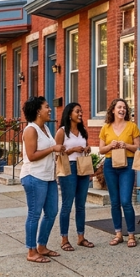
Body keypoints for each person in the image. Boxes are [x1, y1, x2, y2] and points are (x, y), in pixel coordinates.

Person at [20, 96, 65, 264]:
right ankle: (31, 251)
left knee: (52, 212)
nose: (50, 109)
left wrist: (57, 151)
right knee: (34, 214)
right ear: (38, 111)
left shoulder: (45, 128)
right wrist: (53, 148)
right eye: (47, 106)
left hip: (48, 177)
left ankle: (42, 246)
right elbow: (30, 156)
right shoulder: (30, 130)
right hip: (34, 177)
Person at [99, 98, 140, 248]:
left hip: (127, 165)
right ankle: (118, 234)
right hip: (110, 165)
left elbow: (138, 147)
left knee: (126, 201)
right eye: (119, 107)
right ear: (113, 110)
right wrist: (111, 145)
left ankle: (131, 234)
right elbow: (101, 150)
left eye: (124, 107)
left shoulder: (132, 126)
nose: (122, 109)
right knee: (115, 202)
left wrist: (127, 145)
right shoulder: (106, 128)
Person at [55, 102, 94, 252]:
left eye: (81, 112)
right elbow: (57, 153)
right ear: (69, 113)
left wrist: (87, 149)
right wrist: (71, 151)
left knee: (81, 205)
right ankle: (64, 239)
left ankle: (81, 237)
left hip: (82, 167)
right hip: (68, 168)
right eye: (77, 111)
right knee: (67, 204)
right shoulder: (62, 132)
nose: (80, 114)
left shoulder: (83, 131)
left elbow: (84, 146)